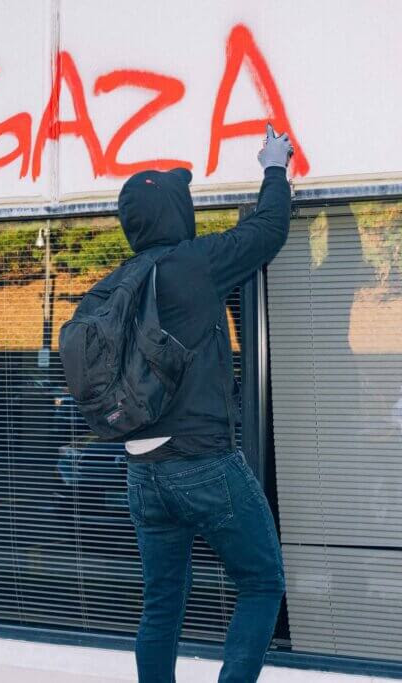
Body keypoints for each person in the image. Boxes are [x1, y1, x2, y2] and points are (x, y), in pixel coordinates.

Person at [118, 123, 293, 683]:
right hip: (202, 464)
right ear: (178, 212)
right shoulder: (193, 265)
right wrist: (273, 166)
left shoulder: (121, 281)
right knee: (262, 581)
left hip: (143, 471)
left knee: (161, 606)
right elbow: (266, 232)